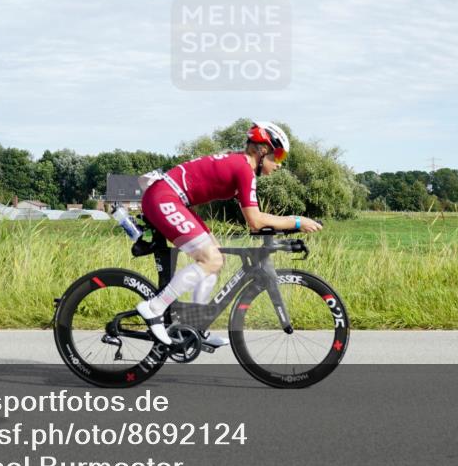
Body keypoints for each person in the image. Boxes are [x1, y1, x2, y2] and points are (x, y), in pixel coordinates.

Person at [135, 121, 322, 347]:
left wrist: (287, 226)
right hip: (164, 197)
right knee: (210, 259)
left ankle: (196, 325)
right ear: (263, 150)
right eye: (278, 157)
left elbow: (255, 221)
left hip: (173, 199)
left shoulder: (241, 165)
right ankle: (154, 307)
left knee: (217, 258)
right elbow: (255, 221)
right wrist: (297, 221)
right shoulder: (244, 169)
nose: (279, 164)